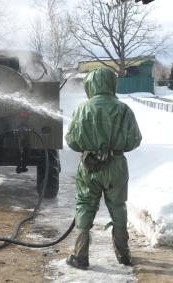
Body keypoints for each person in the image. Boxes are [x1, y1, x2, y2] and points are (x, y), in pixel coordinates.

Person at [65, 68, 142, 269]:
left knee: (84, 205)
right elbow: (134, 141)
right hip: (116, 166)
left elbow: (72, 142)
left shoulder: (82, 109)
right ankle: (123, 255)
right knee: (118, 208)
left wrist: (90, 146)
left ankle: (80, 256)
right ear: (111, 84)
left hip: (89, 166)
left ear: (90, 85)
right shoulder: (123, 109)